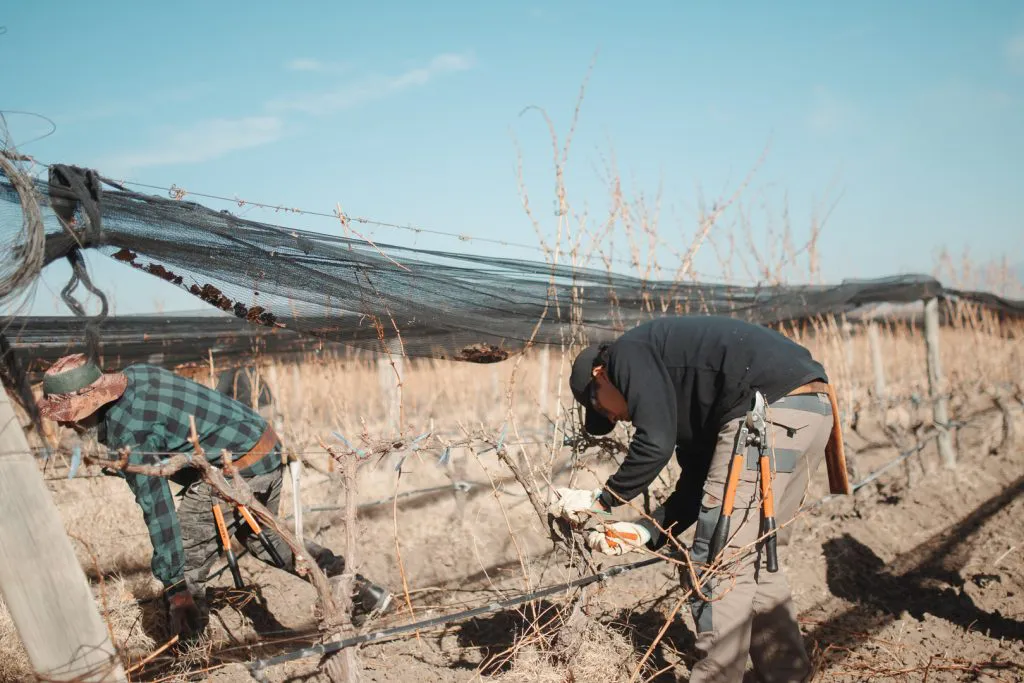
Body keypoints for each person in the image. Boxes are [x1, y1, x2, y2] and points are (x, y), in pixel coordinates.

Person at [548, 316, 845, 683]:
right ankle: (787, 676)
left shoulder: (626, 354)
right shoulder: (695, 405)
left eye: (601, 407)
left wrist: (601, 500)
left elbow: (654, 443)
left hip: (765, 411)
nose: (614, 417)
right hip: (809, 407)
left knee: (718, 562)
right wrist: (646, 532)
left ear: (599, 374)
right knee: (753, 558)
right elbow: (694, 489)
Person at [37, 353, 392, 638]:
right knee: (267, 540)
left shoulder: (132, 430)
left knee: (187, 561)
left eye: (69, 417)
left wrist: (174, 583)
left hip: (233, 467)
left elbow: (157, 506)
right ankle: (362, 591)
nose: (66, 424)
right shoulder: (135, 374)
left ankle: (190, 651)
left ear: (94, 402)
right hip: (263, 447)